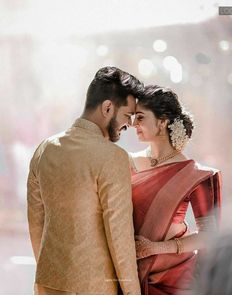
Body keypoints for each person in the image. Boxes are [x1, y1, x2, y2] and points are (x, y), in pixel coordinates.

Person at [27, 66, 143, 295]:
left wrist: (49, 271)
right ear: (108, 107)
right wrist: (132, 292)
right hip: (95, 288)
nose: (129, 124)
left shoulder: (45, 149)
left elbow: (35, 221)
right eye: (127, 115)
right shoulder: (113, 157)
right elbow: (119, 235)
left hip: (47, 283)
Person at [129, 85, 222, 295]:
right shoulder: (127, 162)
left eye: (141, 117)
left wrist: (155, 248)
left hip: (173, 278)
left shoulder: (195, 174)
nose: (134, 124)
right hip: (127, 270)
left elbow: (209, 235)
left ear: (162, 122)